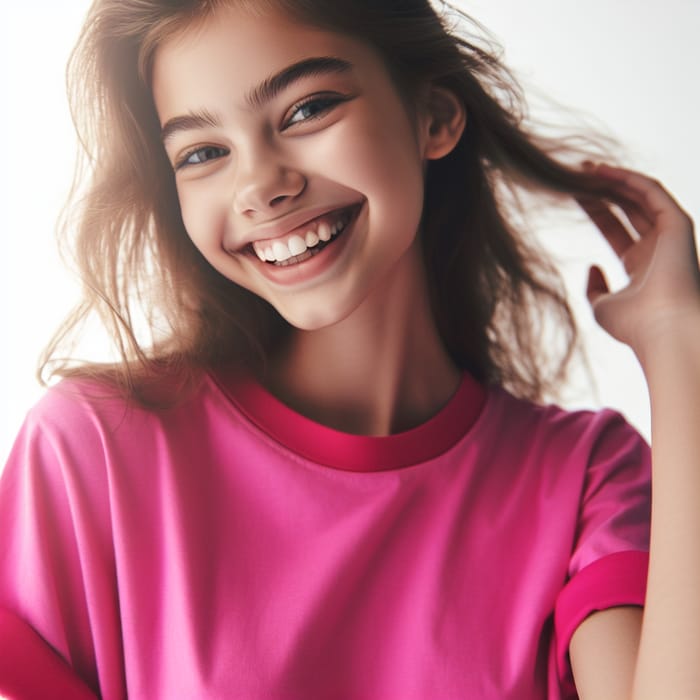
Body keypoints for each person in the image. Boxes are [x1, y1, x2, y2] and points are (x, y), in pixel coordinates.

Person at [0, 0, 698, 698]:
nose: (261, 187)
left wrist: (680, 345)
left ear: (434, 117)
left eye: (307, 110)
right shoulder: (94, 449)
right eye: (204, 153)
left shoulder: (584, 478)